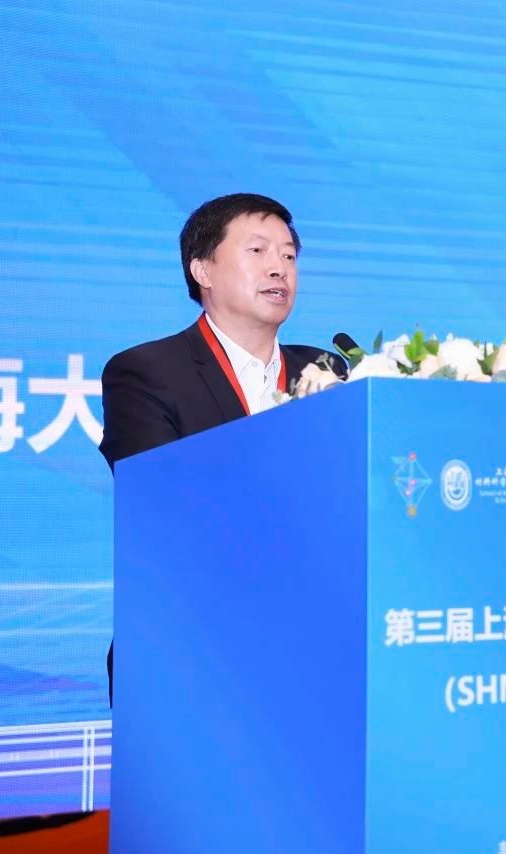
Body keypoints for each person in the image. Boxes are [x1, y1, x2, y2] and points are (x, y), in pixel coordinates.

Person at [98, 193, 344, 704]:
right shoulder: (146, 372)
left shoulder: (327, 369)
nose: (279, 267)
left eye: (289, 255)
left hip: (313, 648)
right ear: (202, 269)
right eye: (257, 251)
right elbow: (164, 503)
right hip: (192, 650)